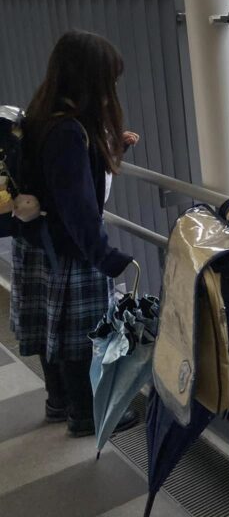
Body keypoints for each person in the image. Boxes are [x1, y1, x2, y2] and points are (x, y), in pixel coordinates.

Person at [10, 31, 140, 437]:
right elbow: (79, 207)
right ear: (90, 80)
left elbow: (57, 181)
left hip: (38, 241)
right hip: (70, 248)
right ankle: (86, 415)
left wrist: (110, 151)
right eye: (108, 80)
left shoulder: (41, 115)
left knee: (51, 327)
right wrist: (105, 256)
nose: (111, 89)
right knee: (82, 336)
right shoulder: (69, 131)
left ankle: (59, 402)